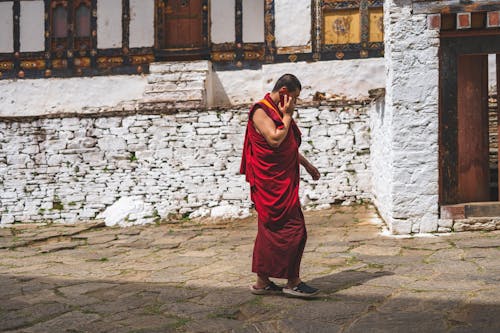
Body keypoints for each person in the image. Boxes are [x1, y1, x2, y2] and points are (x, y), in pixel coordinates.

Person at [240, 73, 321, 298]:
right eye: (294, 98)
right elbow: (275, 139)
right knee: (296, 231)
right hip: (270, 185)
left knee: (268, 232)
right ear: (284, 94)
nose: (295, 103)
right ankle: (292, 282)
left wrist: (307, 165)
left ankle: (262, 282)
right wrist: (287, 115)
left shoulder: (275, 111)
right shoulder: (260, 111)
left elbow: (288, 145)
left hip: (281, 181)